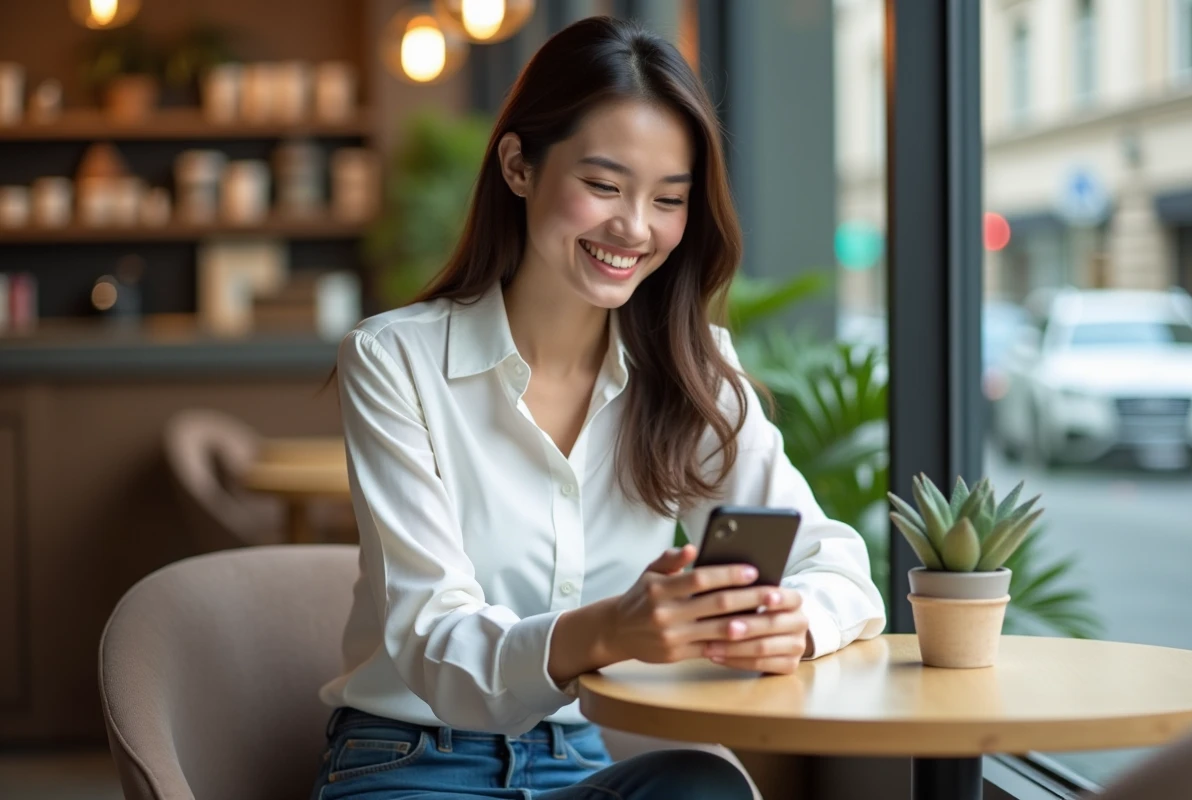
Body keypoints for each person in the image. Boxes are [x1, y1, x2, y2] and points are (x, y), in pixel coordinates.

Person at [312, 15, 886, 800]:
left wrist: (798, 621)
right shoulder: (394, 360)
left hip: (582, 760)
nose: (635, 228)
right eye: (604, 186)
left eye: (669, 200)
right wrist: (613, 630)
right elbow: (432, 640)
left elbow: (840, 565)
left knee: (706, 788)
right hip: (411, 761)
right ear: (519, 165)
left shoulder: (693, 372)